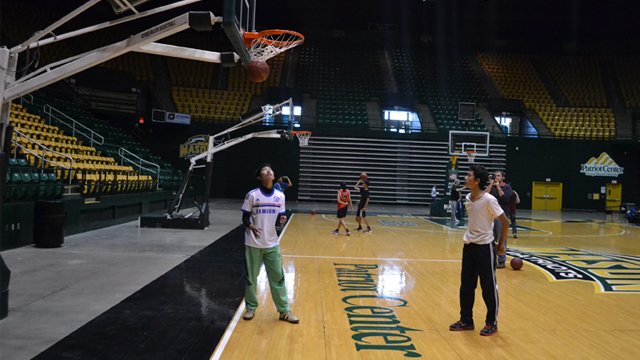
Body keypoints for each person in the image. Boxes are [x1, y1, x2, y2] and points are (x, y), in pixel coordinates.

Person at [450, 164, 508, 336]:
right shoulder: (468, 198)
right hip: (469, 246)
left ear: (476, 181)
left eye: (468, 175)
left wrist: (500, 245)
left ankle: (492, 322)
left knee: (488, 287)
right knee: (466, 286)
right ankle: (466, 320)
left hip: (485, 247)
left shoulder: (489, 200)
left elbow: (505, 221)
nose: (465, 177)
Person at [241, 163, 299, 324]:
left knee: (278, 278)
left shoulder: (280, 196)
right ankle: (251, 307)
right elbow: (245, 217)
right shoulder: (252, 195)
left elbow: (280, 218)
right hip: (253, 243)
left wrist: (282, 220)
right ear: (260, 177)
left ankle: (284, 311)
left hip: (272, 243)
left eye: (270, 170)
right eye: (265, 171)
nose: (269, 172)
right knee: (252, 278)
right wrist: (250, 225)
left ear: (273, 175)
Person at [485, 170, 513, 268]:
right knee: (490, 238)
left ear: (503, 178)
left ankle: (501, 260)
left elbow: (505, 198)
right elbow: (484, 195)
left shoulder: (507, 187)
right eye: (495, 176)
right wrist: (491, 184)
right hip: (491, 216)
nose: (496, 177)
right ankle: (492, 259)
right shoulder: (491, 187)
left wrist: (497, 186)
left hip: (502, 216)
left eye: (498, 176)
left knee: (502, 238)